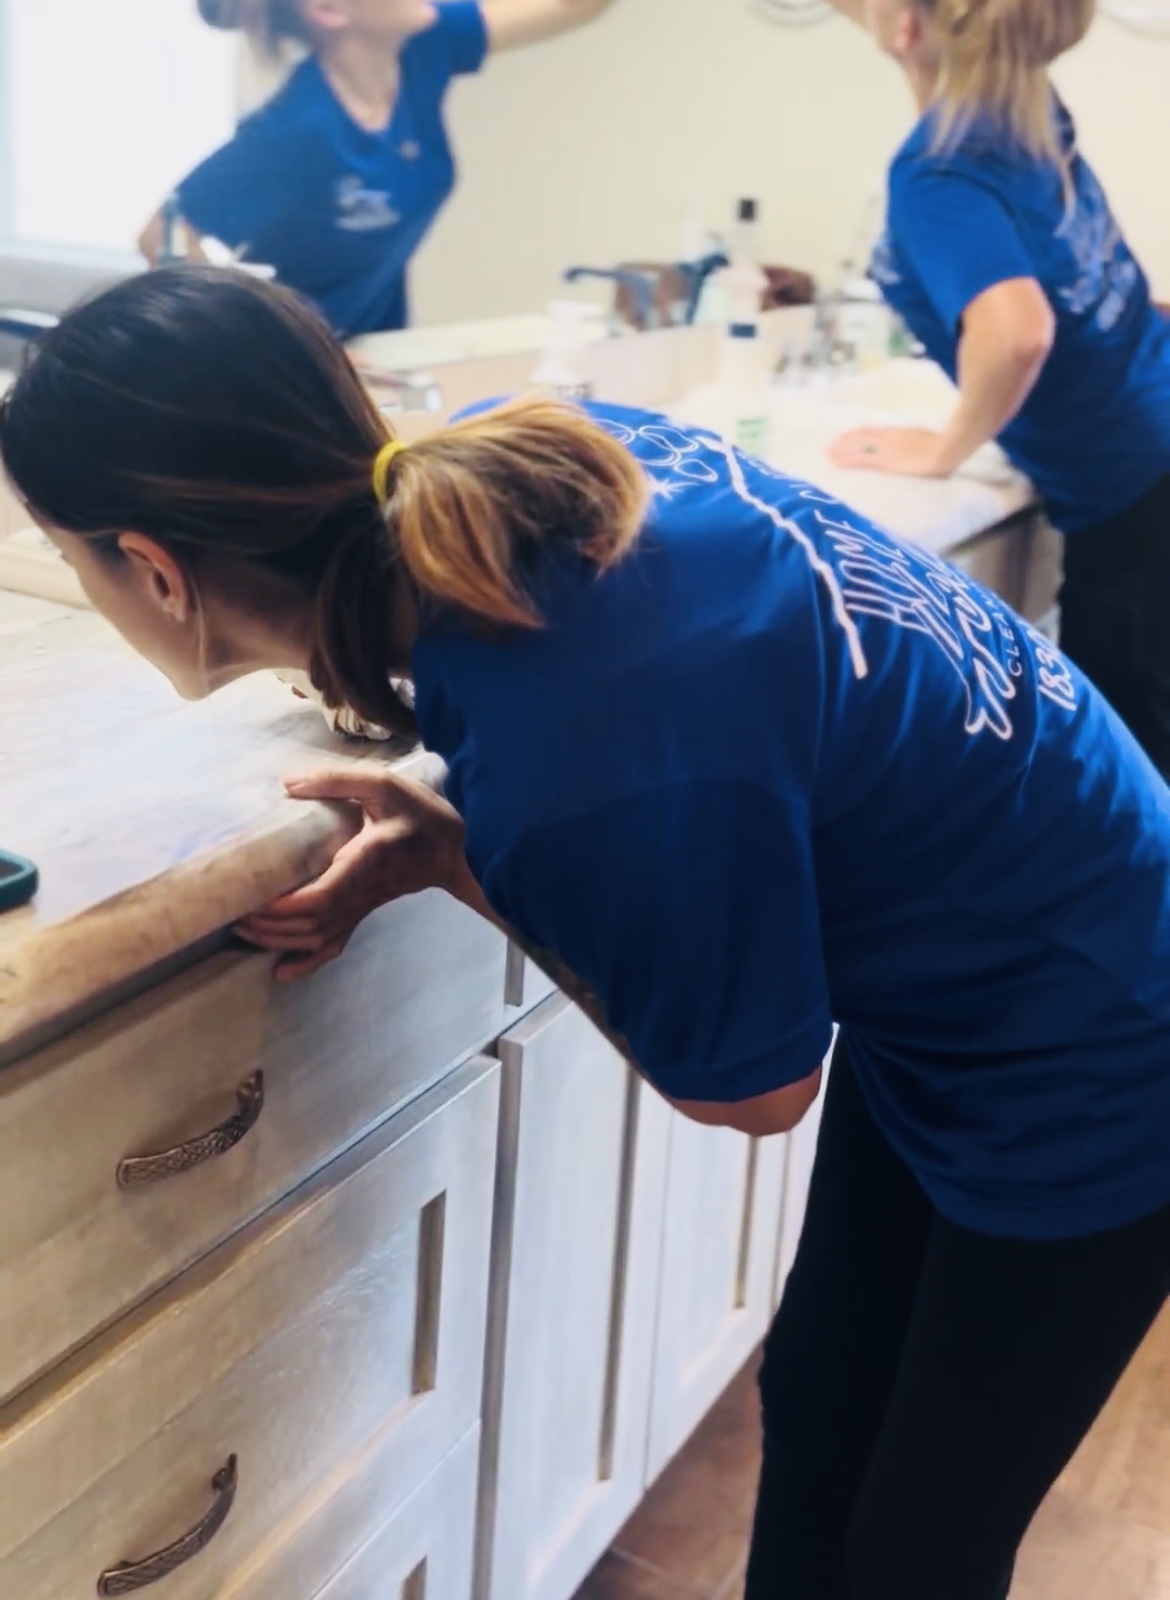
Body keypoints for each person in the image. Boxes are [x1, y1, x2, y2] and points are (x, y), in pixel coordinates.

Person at [4, 266, 1170, 1600]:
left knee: (921, 1539)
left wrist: (466, 864)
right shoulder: (525, 459)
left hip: (1107, 1038)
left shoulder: (589, 748)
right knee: (822, 1395)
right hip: (1019, 924)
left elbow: (752, 1089)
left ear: (153, 567)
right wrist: (460, 844)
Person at [721, 0, 1170, 773]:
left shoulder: (938, 167)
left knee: (1135, 782)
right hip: (1154, 439)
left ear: (910, 24)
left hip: (1136, 505)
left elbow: (1018, 333)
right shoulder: (1018, 86)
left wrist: (940, 449)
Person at [140, 0, 684, 336]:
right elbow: (159, 235)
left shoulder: (425, 46)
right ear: (328, 10)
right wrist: (271, 343)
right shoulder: (296, 130)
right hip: (301, 384)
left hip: (379, 353)